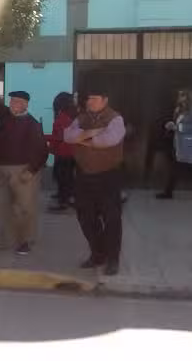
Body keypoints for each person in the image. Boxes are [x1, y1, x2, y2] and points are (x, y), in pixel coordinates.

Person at [64, 85, 126, 276]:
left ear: (105, 100)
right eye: (88, 99)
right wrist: (91, 133)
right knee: (86, 217)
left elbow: (108, 140)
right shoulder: (82, 117)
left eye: (94, 98)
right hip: (84, 175)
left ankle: (113, 258)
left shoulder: (115, 118)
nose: (89, 102)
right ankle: (98, 253)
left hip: (108, 176)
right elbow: (67, 136)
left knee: (112, 218)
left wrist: (83, 138)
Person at [0, 91, 49, 255]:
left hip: (23, 170)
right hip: (2, 169)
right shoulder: (5, 121)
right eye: (11, 101)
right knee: (4, 206)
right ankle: (6, 239)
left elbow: (42, 150)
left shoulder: (32, 124)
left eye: (16, 102)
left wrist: (31, 170)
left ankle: (25, 241)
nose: (12, 105)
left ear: (25, 104)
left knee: (25, 207)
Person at [157, 89, 192, 200]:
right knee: (175, 167)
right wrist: (172, 125)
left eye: (183, 96)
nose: (180, 98)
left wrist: (178, 128)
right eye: (179, 96)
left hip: (191, 145)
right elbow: (178, 123)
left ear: (188, 97)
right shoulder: (180, 110)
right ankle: (168, 192)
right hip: (180, 145)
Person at [46, 92, 78, 212]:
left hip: (65, 154)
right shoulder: (69, 116)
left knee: (63, 178)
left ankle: (64, 201)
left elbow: (60, 137)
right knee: (66, 177)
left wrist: (44, 137)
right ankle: (65, 196)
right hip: (69, 153)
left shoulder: (62, 118)